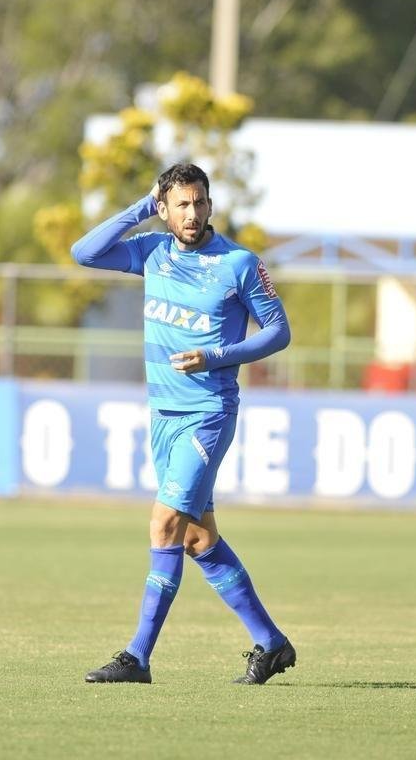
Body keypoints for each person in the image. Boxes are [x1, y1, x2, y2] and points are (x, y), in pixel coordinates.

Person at [71, 163, 295, 685]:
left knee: (164, 524)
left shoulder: (238, 263)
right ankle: (271, 642)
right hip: (163, 416)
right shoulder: (152, 253)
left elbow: (279, 332)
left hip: (208, 414)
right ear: (165, 208)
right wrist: (140, 209)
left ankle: (137, 657)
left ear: (211, 205)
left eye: (200, 202)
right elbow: (84, 252)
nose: (192, 214)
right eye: (181, 205)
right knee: (196, 538)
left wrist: (217, 355)